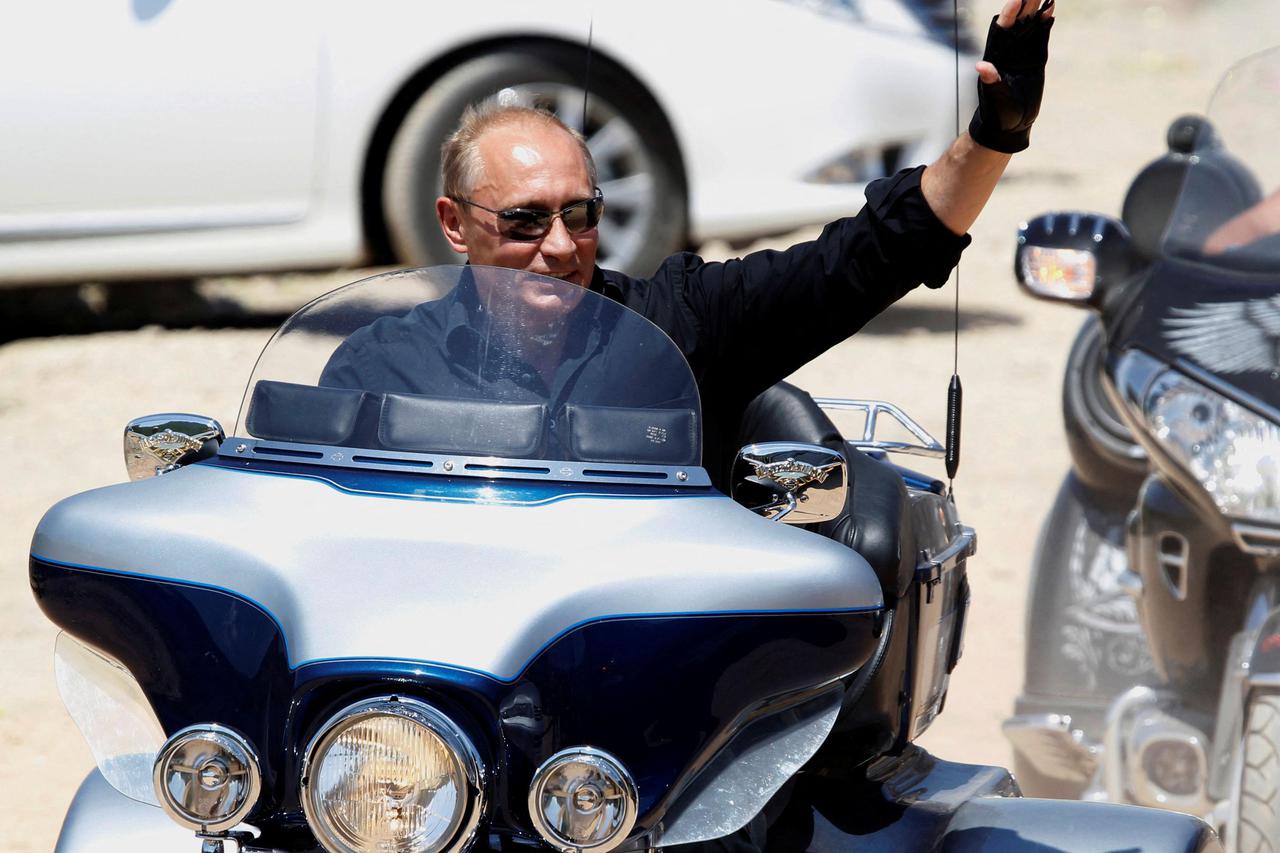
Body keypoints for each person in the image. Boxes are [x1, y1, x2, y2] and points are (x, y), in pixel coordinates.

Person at [326, 0, 1055, 486]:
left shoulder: (678, 325)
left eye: (580, 214)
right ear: (454, 224)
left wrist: (994, 135)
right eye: (524, 220)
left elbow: (866, 258)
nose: (559, 245)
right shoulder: (379, 368)